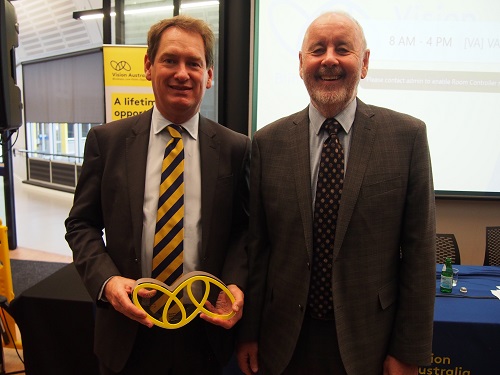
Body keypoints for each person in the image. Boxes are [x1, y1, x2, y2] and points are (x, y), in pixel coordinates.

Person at [237, 11, 436, 375]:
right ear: (301, 64)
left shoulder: (406, 137)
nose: (329, 59)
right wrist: (248, 333)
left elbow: (420, 254)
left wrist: (409, 351)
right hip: (283, 343)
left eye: (342, 49)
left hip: (369, 343)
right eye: (317, 50)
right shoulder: (268, 142)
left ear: (364, 63)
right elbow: (258, 248)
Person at [65, 15, 250, 375]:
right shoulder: (108, 142)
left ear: (209, 75)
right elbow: (81, 224)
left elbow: (244, 230)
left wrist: (234, 283)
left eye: (194, 63)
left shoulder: (235, 148)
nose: (182, 73)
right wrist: (107, 281)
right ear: (148, 66)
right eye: (170, 60)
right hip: (127, 330)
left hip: (204, 331)